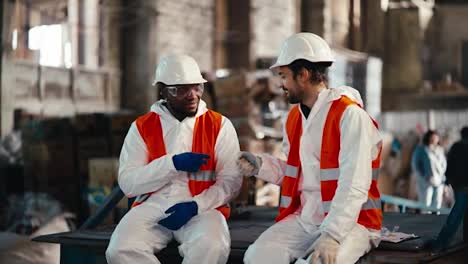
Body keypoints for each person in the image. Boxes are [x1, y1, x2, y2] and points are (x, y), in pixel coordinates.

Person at [238, 32, 383, 264]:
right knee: (257, 257)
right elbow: (299, 174)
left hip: (353, 223)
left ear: (303, 75)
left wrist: (332, 236)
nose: (280, 84)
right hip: (306, 219)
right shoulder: (294, 118)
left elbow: (354, 184)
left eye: (283, 76)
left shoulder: (349, 115)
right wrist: (261, 166)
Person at [106, 54, 242, 264]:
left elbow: (231, 182)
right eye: (180, 89)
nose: (192, 95)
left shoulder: (219, 126)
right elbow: (128, 183)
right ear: (163, 91)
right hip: (153, 206)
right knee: (120, 250)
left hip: (202, 207)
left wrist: (196, 205)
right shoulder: (142, 127)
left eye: (197, 87)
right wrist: (172, 164)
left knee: (212, 247)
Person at [431, 127, 468, 252]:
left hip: (458, 185)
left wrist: (449, 180)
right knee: (458, 213)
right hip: (464, 184)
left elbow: (449, 163)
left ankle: (442, 242)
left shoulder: (456, 146)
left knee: (457, 213)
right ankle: (441, 243)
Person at [411, 130, 446, 210]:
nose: (434, 139)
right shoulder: (421, 149)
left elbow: (444, 164)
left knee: (437, 203)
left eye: (436, 137)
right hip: (426, 181)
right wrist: (424, 176)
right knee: (426, 203)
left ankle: (435, 221)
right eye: (432, 137)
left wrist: (442, 177)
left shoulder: (440, 150)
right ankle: (425, 221)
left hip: (439, 180)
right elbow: (415, 164)